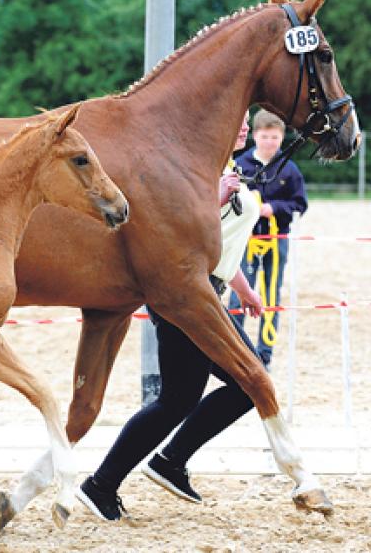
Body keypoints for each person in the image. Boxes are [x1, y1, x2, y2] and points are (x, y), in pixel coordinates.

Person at [77, 115, 265, 520]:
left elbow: (217, 244)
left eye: (248, 122)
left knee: (183, 398)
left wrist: (245, 290)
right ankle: (142, 470)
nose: (245, 127)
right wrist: (211, 198)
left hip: (205, 295)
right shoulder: (196, 174)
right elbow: (172, 234)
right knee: (247, 383)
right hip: (184, 298)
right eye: (237, 121)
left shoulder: (229, 169)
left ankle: (122, 478)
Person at [229, 110, 308, 366]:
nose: (270, 142)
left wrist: (273, 208)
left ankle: (265, 355)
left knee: (271, 294)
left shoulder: (290, 169)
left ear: (282, 138)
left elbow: (300, 203)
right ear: (255, 135)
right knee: (240, 293)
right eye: (265, 136)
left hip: (277, 239)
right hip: (245, 242)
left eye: (275, 137)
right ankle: (237, 350)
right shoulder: (239, 165)